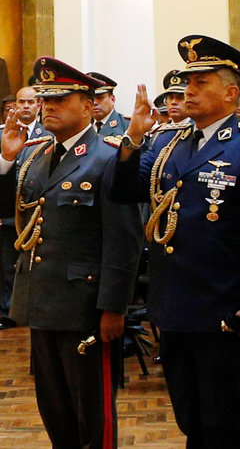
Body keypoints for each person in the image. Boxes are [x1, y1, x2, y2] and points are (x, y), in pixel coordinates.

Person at [105, 35, 240, 448]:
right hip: (175, 304)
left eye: (201, 81)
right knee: (190, 416)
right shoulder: (170, 143)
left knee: (226, 419)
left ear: (231, 91)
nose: (188, 89)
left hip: (223, 305)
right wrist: (133, 138)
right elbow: (124, 190)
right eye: (187, 80)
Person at [0, 57, 143, 447]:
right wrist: (6, 159)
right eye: (45, 99)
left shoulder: (109, 157)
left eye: (60, 99)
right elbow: (13, 214)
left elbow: (124, 241)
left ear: (87, 104)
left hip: (86, 307)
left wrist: (114, 308)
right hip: (43, 302)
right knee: (55, 409)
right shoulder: (35, 154)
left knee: (92, 416)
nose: (49, 107)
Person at [0, 86, 52, 330]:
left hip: (37, 213)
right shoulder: (3, 133)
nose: (26, 106)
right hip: (8, 211)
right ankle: (8, 310)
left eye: (31, 102)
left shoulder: (49, 134)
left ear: (39, 105)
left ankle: (32, 307)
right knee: (7, 265)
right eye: (22, 102)